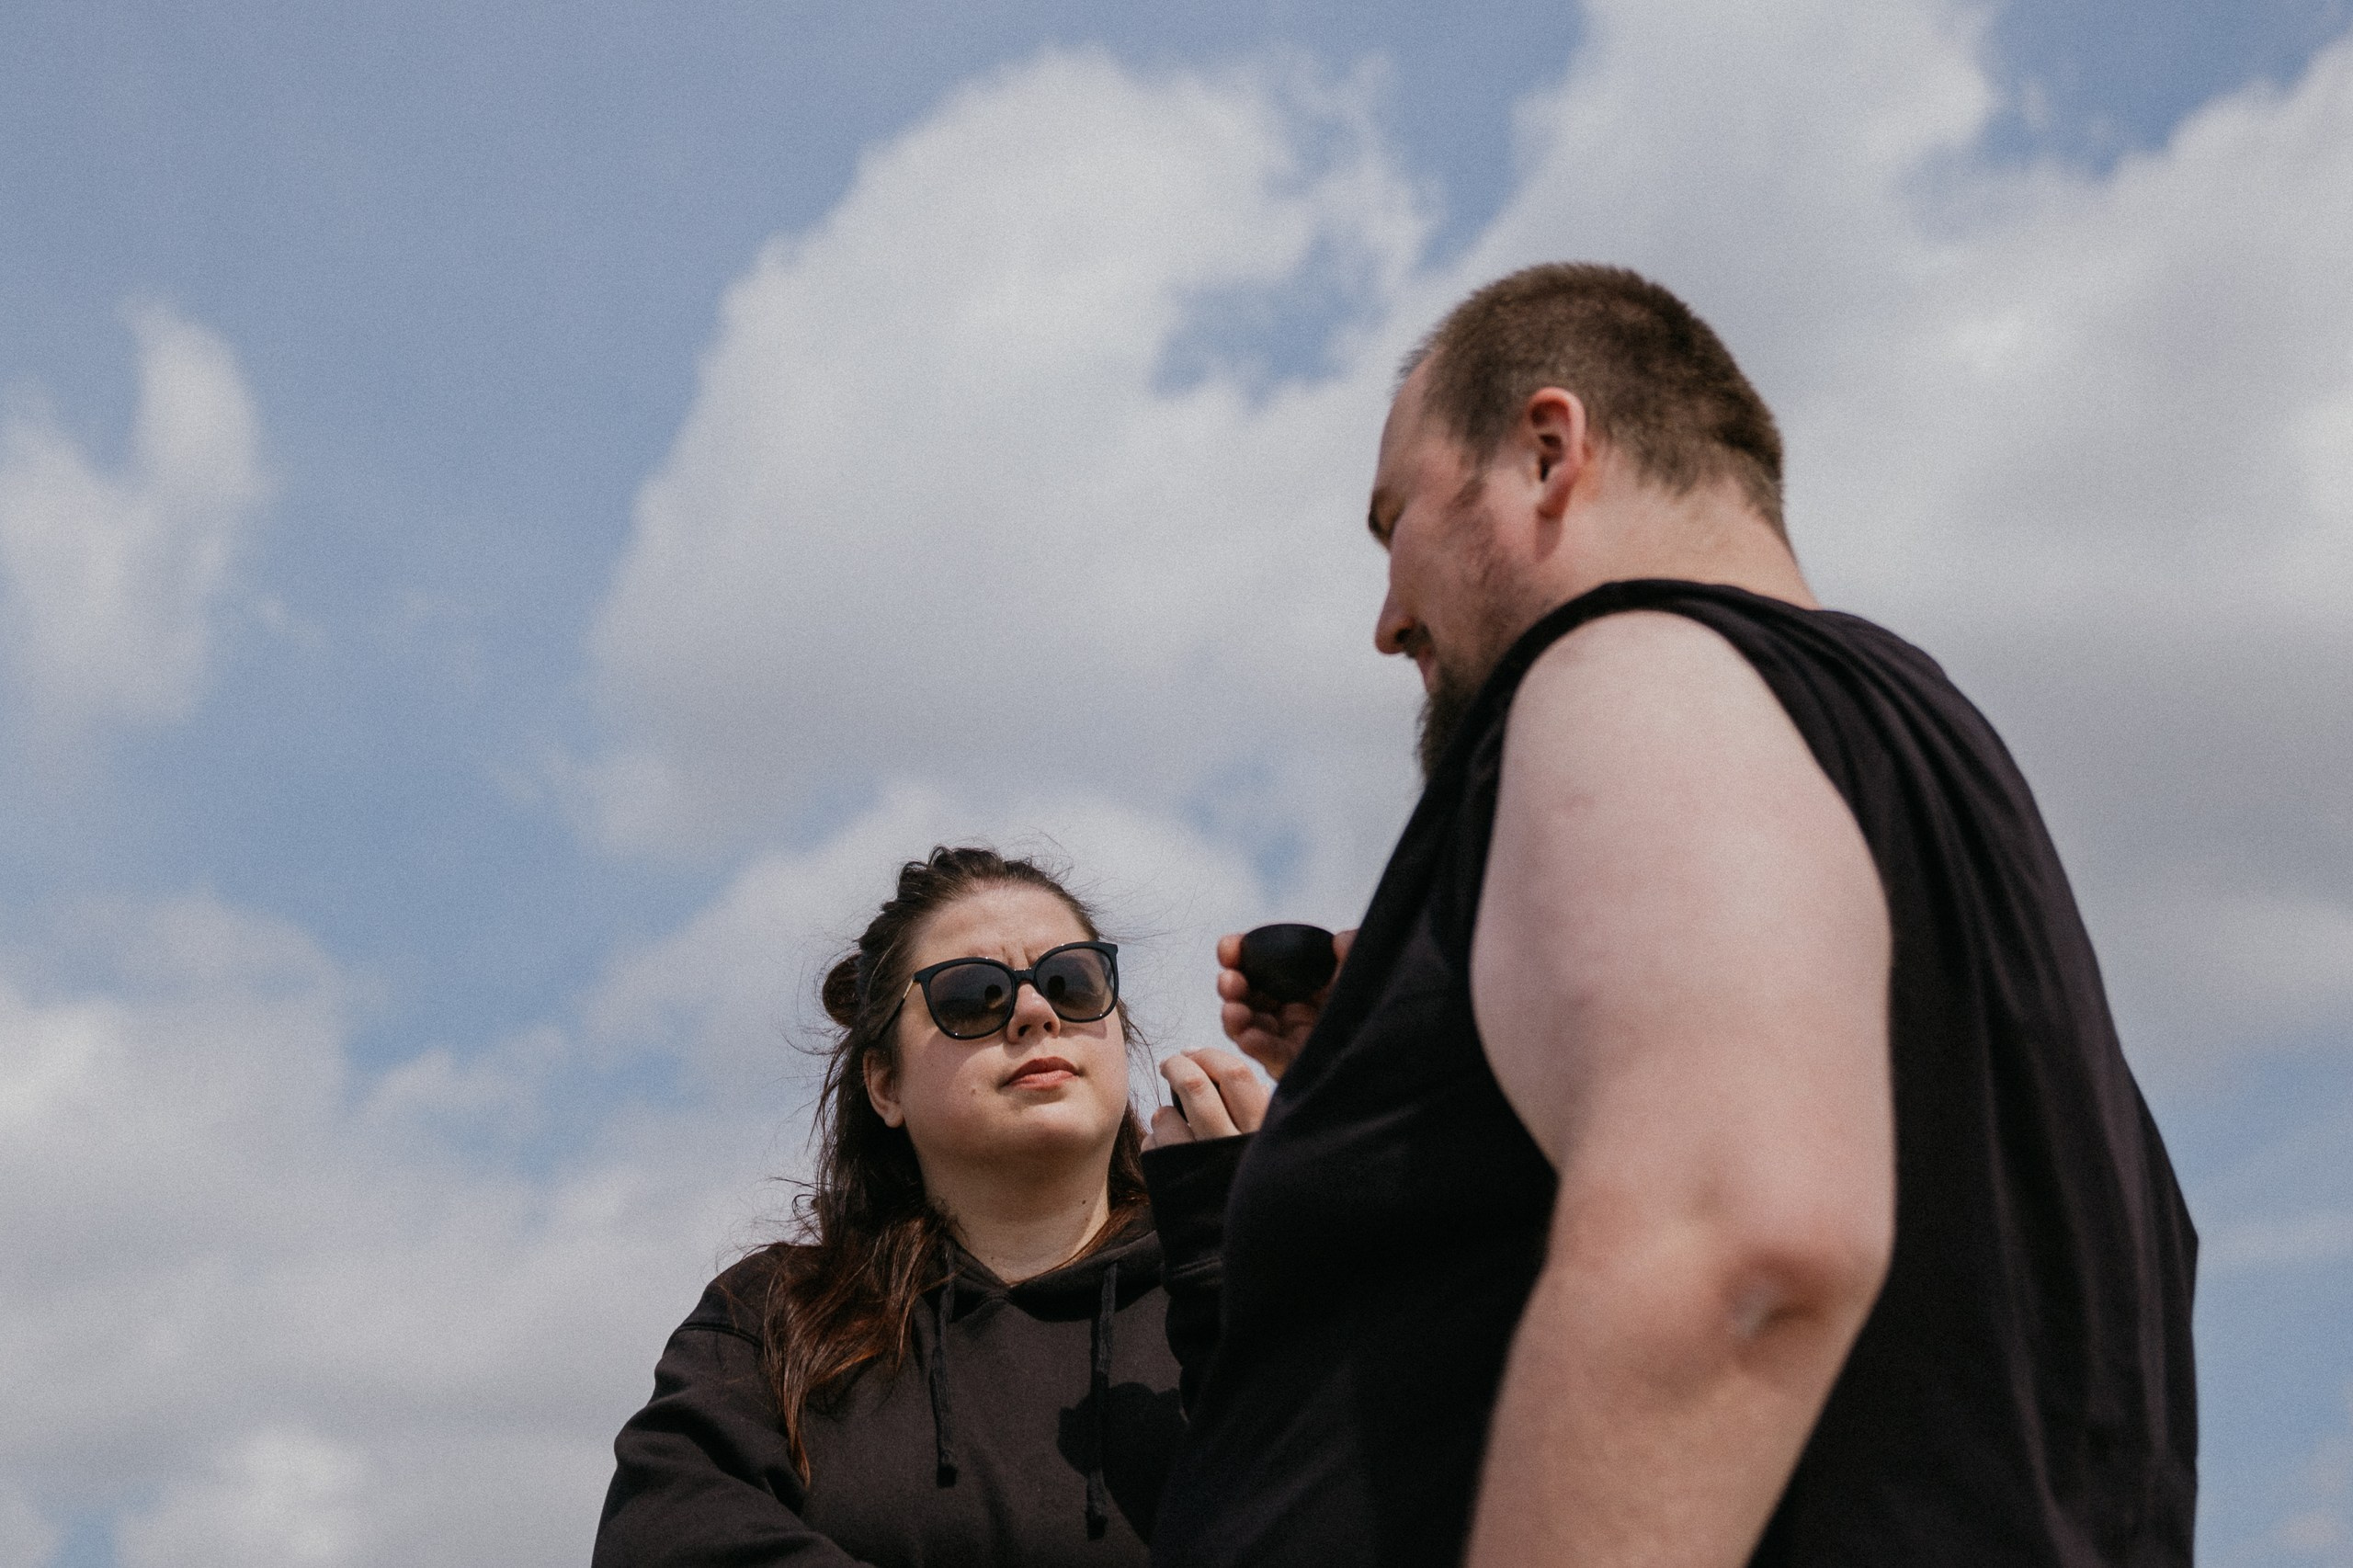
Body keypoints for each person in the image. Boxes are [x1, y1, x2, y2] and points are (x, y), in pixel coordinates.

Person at [1145, 264, 2198, 1567]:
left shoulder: (1627, 665)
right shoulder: (1938, 801)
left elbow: (1739, 1250)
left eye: (1393, 523)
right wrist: (1432, 1049)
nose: (1386, 618)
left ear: (1547, 449)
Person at [594, 845, 1265, 1567]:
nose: (1035, 1013)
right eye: (971, 995)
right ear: (884, 1085)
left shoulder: (1235, 1273)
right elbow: (662, 1539)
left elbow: (1346, 1503)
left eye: (1070, 982)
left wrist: (1251, 1260)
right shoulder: (775, 1316)